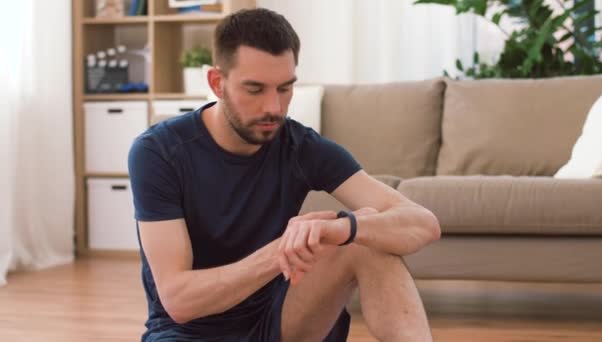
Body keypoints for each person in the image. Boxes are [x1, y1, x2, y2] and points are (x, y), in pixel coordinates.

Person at [128, 7, 441, 342]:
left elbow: (423, 223)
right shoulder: (158, 152)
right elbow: (179, 300)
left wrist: (342, 228)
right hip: (188, 333)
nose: (274, 108)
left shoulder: (301, 146)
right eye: (255, 89)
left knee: (365, 240)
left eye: (285, 88)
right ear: (217, 83)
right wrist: (285, 250)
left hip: (280, 319)